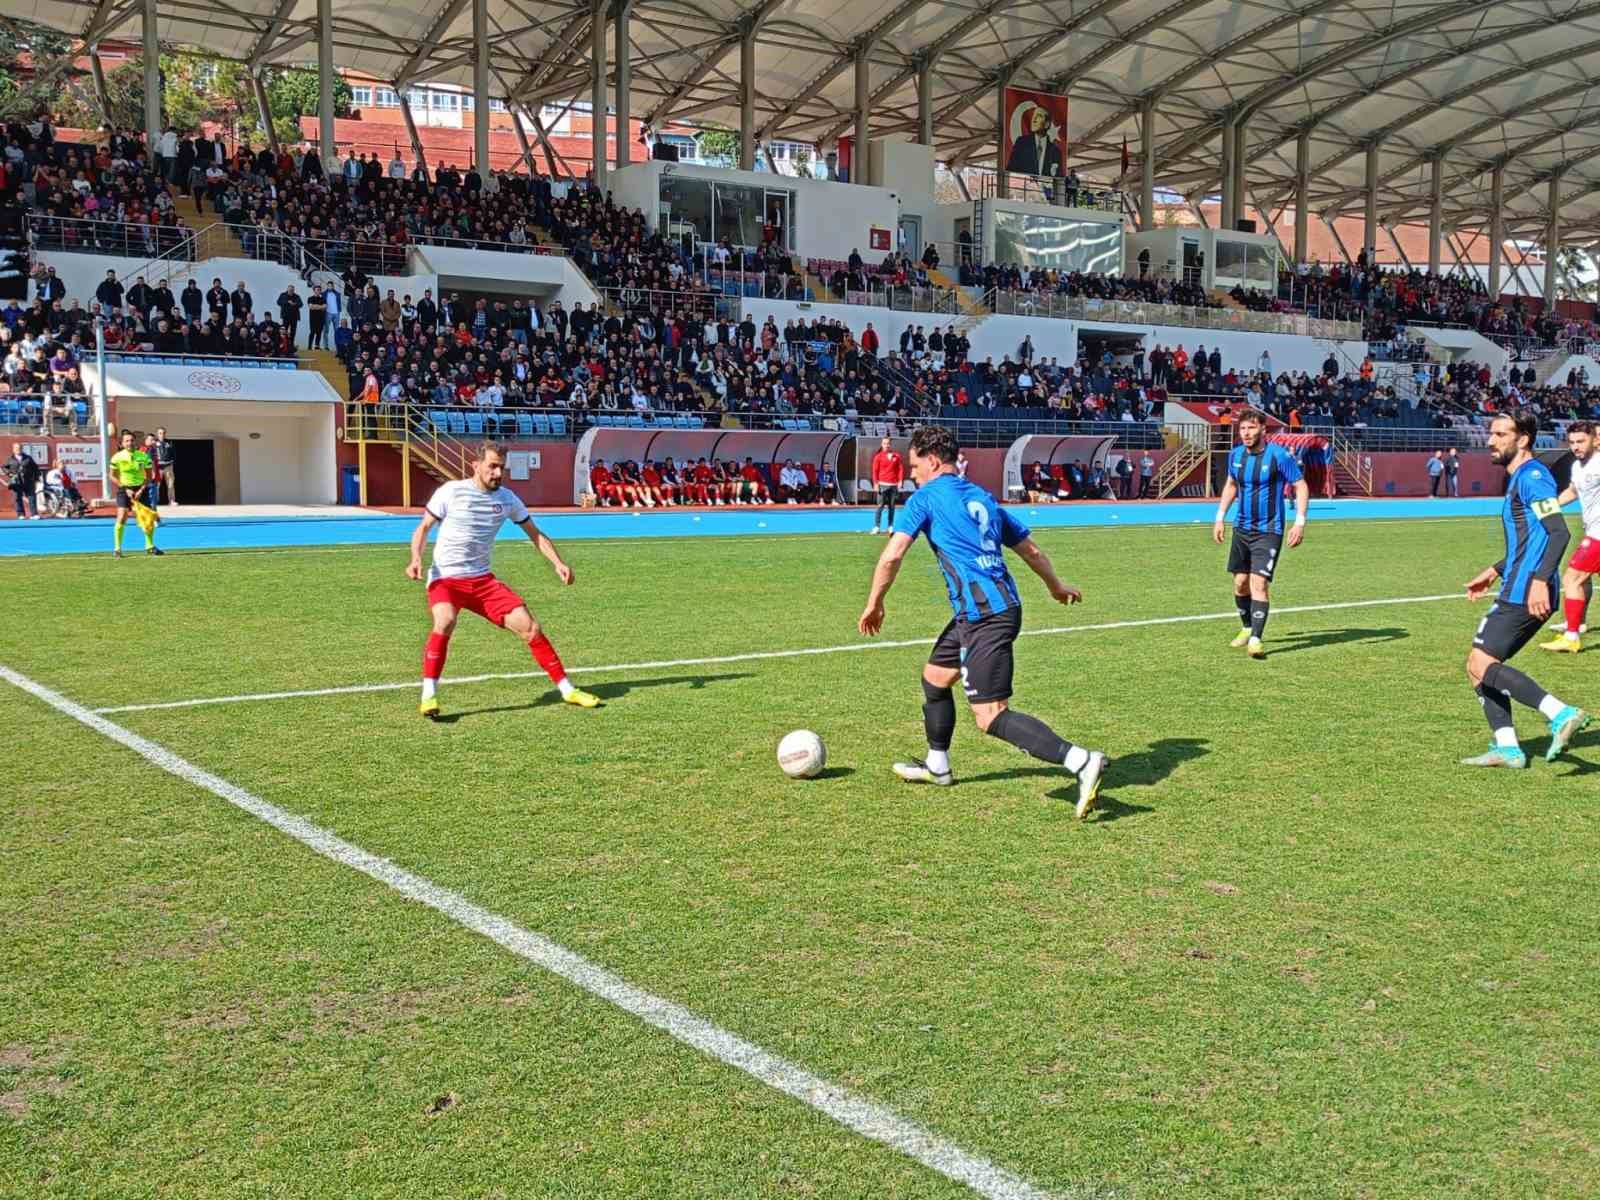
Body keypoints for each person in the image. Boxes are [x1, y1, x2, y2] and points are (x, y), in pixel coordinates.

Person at [856, 426, 1107, 816]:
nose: (912, 474)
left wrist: (875, 602)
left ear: (933, 461)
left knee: (990, 715)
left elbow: (892, 555)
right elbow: (1031, 550)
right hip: (986, 610)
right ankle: (938, 766)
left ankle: (1081, 760)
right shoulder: (982, 496)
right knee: (934, 678)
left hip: (985, 616)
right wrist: (1055, 586)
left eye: (915, 465)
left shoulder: (925, 498)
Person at [407, 442, 600, 719]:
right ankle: (429, 695)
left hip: (482, 582)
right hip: (446, 579)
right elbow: (423, 527)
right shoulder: (451, 491)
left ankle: (568, 690)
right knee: (445, 621)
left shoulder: (507, 499)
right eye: (493, 466)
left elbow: (535, 533)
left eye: (502, 468)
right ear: (476, 466)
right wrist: (416, 558)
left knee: (530, 628)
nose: (498, 473)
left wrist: (558, 563)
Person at [1461, 410, 1589, 767]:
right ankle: (1508, 748)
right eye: (1492, 433)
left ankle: (1560, 713)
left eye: (1501, 434)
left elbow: (1558, 533)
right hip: (1519, 582)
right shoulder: (1523, 477)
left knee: (1481, 663)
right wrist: (1494, 570)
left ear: (1523, 439)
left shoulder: (1533, 477)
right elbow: (1530, 539)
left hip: (1525, 590)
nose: (1491, 440)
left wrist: (1538, 581)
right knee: (1478, 666)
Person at [1212, 409, 1309, 659]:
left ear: (1263, 429)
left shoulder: (1279, 456)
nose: (1246, 433)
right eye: (1243, 428)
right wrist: (1220, 517)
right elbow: (1231, 485)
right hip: (1241, 528)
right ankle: (1247, 627)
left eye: (1251, 428)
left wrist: (1299, 522)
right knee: (1240, 583)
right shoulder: (1236, 455)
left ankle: (1256, 639)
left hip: (1269, 530)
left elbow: (1300, 485)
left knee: (1259, 584)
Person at [1540, 420, 1600, 654]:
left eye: (1581, 441)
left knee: (1571, 579)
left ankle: (1571, 637)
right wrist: (1546, 508)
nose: (1576, 446)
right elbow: (1573, 491)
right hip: (1592, 531)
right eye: (1572, 442)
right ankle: (1577, 623)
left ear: (1594, 440)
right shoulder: (1577, 466)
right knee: (1582, 579)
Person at [108, 430, 163, 557]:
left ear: (135, 442)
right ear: (122, 443)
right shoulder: (117, 457)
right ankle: (117, 549)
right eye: (127, 441)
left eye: (132, 440)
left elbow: (149, 476)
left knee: (148, 519)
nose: (130, 443)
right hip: (124, 489)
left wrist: (141, 490)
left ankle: (149, 546)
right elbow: (112, 476)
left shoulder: (143, 456)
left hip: (141, 489)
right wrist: (125, 488)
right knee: (122, 516)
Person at [869, 435, 905, 535]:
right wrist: (876, 483)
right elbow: (875, 471)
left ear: (890, 444)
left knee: (892, 507)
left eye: (888, 443)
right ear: (882, 444)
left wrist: (900, 481)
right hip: (882, 484)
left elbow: (900, 469)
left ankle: (890, 526)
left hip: (893, 485)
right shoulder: (878, 456)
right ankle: (877, 527)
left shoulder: (896, 456)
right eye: (885, 443)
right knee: (880, 506)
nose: (886, 445)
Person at [5, 443, 40, 519]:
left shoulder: (28, 458)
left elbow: (36, 468)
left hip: (28, 481)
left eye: (20, 448)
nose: (18, 449)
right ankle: (21, 514)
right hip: (16, 482)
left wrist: (36, 479)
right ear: (13, 449)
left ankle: (34, 514)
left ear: (22, 449)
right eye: (16, 448)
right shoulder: (9, 459)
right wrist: (9, 473)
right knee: (17, 498)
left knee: (32, 497)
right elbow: (4, 468)